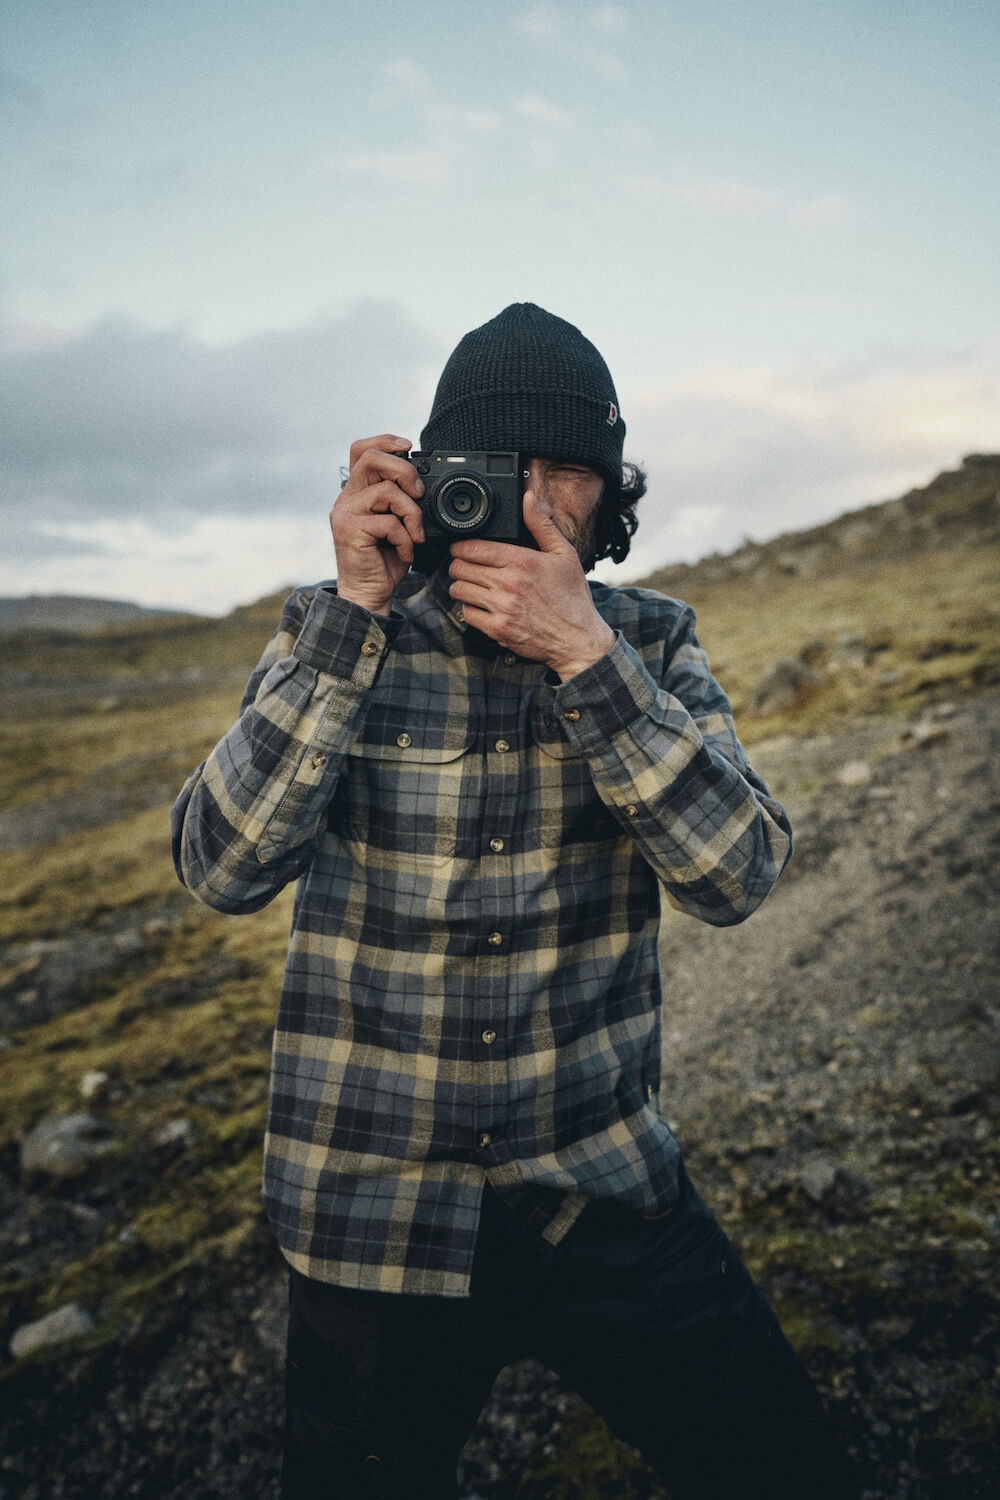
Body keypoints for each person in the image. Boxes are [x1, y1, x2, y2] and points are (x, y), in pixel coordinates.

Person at [172, 303, 855, 1498]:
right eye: (500, 468)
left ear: (610, 494)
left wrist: (589, 660)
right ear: (432, 477)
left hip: (600, 1186)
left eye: (568, 473)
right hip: (373, 1210)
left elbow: (737, 875)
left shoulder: (649, 643)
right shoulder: (339, 631)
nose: (532, 501)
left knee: (782, 1467)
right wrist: (351, 617)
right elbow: (221, 869)